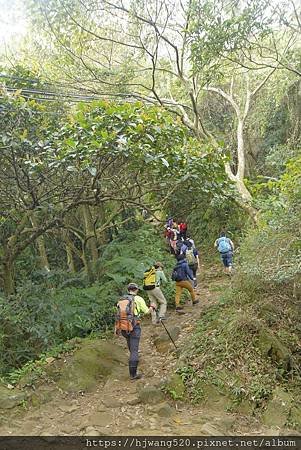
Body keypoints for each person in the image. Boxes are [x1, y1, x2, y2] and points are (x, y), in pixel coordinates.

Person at [115, 283, 154, 380]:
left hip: (124, 327)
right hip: (134, 326)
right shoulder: (138, 299)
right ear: (136, 290)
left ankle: (133, 364)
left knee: (131, 347)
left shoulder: (121, 300)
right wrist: (152, 307)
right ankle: (133, 374)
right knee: (134, 350)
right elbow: (146, 311)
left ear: (128, 290)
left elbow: (118, 314)